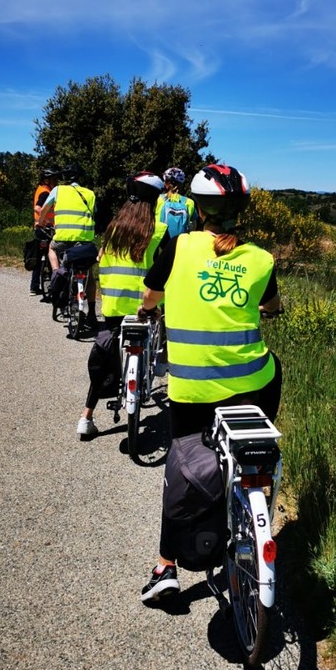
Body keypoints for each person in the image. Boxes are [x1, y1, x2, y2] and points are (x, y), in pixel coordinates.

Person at [138, 163, 283, 602]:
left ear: (198, 209)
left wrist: (155, 309)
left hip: (190, 391)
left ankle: (166, 566)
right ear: (240, 210)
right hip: (252, 385)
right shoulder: (260, 258)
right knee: (272, 366)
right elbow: (272, 308)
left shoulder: (177, 247)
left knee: (180, 463)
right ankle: (254, 479)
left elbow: (150, 297)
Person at [76, 172, 169, 438]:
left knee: (106, 359)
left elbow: (103, 263)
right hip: (143, 309)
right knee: (162, 321)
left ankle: (86, 417)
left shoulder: (112, 229)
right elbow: (165, 271)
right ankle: (161, 361)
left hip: (113, 308)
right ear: (154, 202)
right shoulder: (158, 231)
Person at [36, 163, 97, 313]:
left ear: (64, 177)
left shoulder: (58, 190)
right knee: (89, 274)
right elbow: (94, 213)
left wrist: (41, 222)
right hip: (84, 241)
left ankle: (57, 273)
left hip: (63, 238)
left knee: (51, 247)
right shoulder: (90, 193)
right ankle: (92, 314)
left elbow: (44, 209)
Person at [29, 167, 58, 295]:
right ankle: (54, 284)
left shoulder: (40, 189)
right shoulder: (46, 192)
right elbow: (37, 207)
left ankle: (34, 287)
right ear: (47, 180)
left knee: (39, 256)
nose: (55, 181)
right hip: (46, 228)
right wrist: (44, 219)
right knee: (52, 254)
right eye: (53, 179)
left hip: (39, 228)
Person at [157, 167, 196, 238]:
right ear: (181, 184)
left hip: (159, 242)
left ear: (166, 183)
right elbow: (194, 227)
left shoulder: (158, 199)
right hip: (181, 243)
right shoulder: (190, 202)